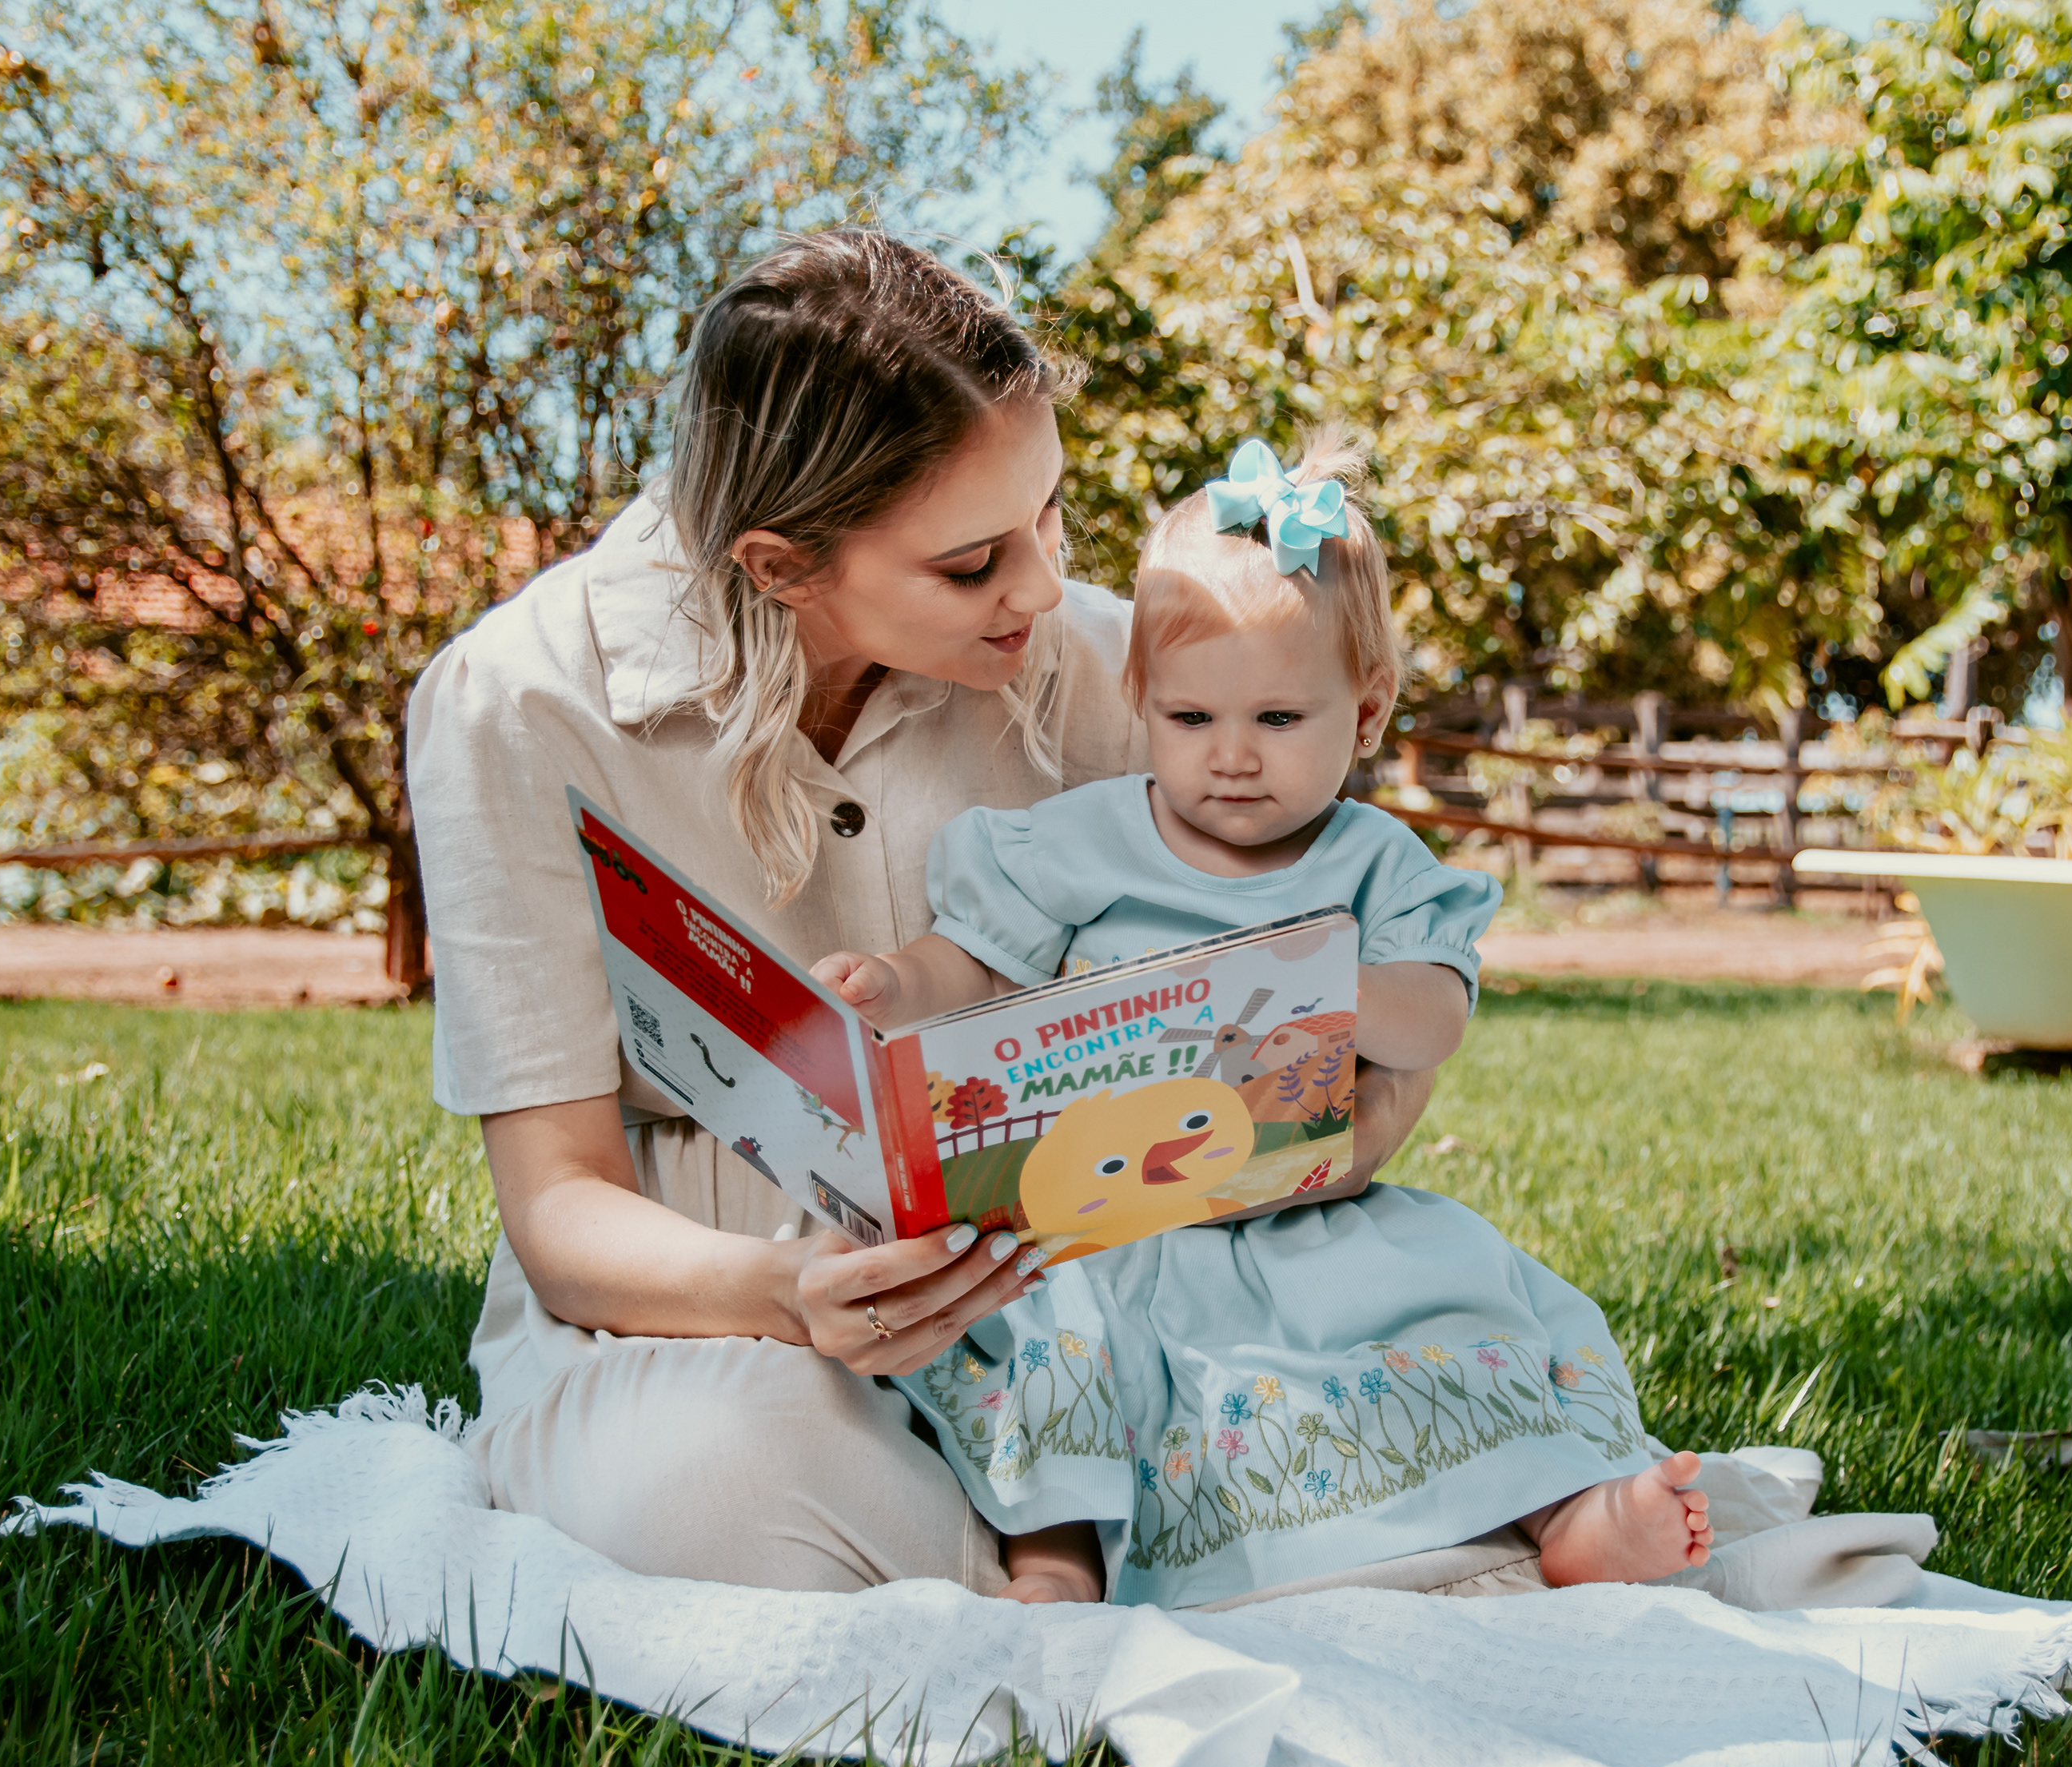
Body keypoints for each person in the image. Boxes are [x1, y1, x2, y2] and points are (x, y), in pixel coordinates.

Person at [401, 231, 1516, 1599]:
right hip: (710, 1313)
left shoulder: (1137, 669)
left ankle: (1093, 1568)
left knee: (1394, 1436)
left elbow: (1319, 997)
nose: (1043, 591)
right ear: (780, 564)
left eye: (1051, 516)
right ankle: (1081, 1575)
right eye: (976, 560)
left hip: (1127, 1271)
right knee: (734, 1491)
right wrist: (785, 1298)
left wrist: (1323, 1140)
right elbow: (562, 1206)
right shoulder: (516, 704)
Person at [808, 435, 1714, 1608]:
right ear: (1141, 701)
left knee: (1440, 1314)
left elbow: (1434, 1020)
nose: (1231, 759)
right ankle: (1057, 1566)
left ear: (1369, 710)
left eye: (1281, 719)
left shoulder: (1372, 860)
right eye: (1191, 719)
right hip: (1105, 1220)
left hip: (1302, 1219)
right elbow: (977, 962)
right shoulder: (1086, 839)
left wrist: (1329, 987)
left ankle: (1569, 1509)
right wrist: (894, 984)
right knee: (1058, 1341)